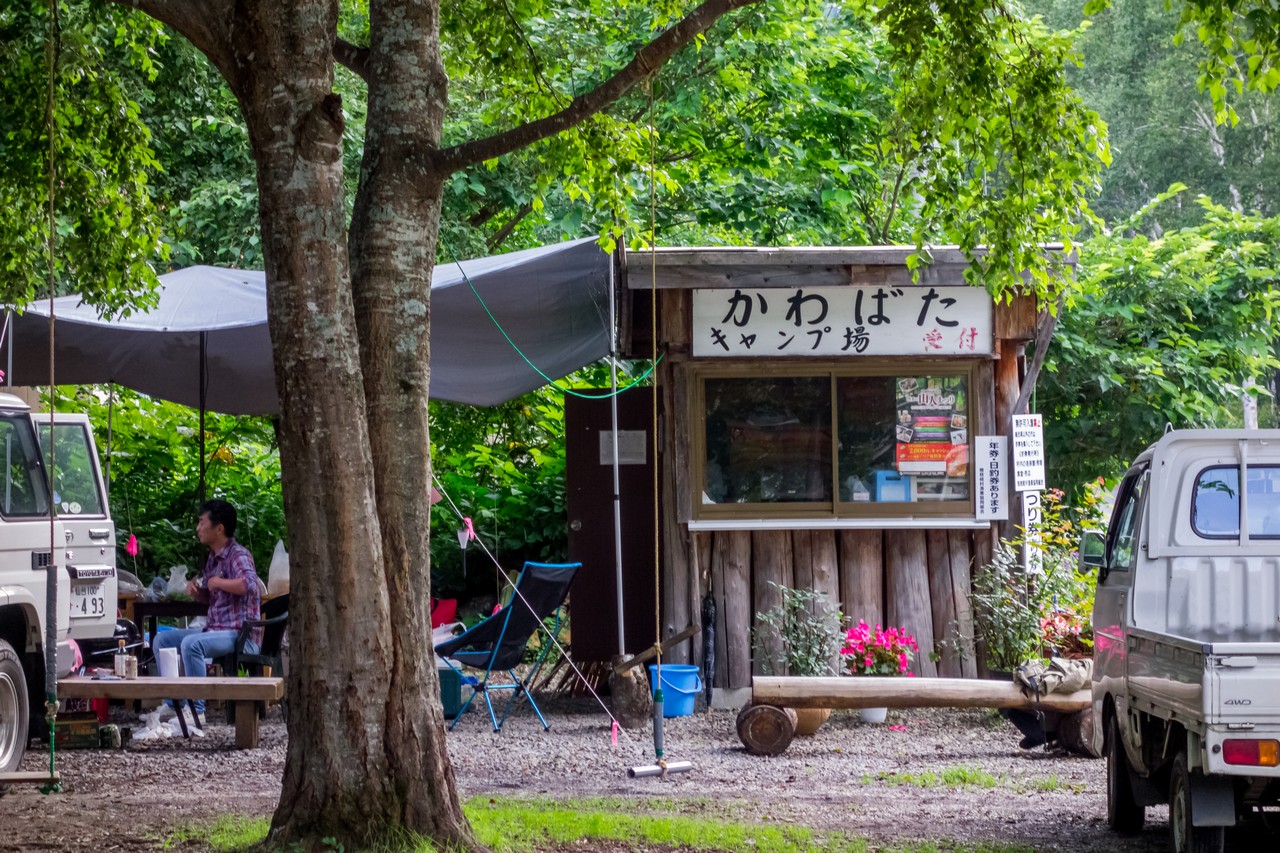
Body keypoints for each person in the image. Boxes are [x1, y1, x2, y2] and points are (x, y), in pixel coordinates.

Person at [152, 499, 261, 729]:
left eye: (202, 522)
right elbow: (214, 598)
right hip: (215, 630)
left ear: (219, 528)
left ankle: (197, 711)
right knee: (162, 640)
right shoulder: (213, 557)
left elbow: (250, 585)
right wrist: (198, 594)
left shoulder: (237, 555)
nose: (198, 528)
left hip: (240, 634)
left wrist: (218, 582)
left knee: (192, 644)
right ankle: (173, 704)